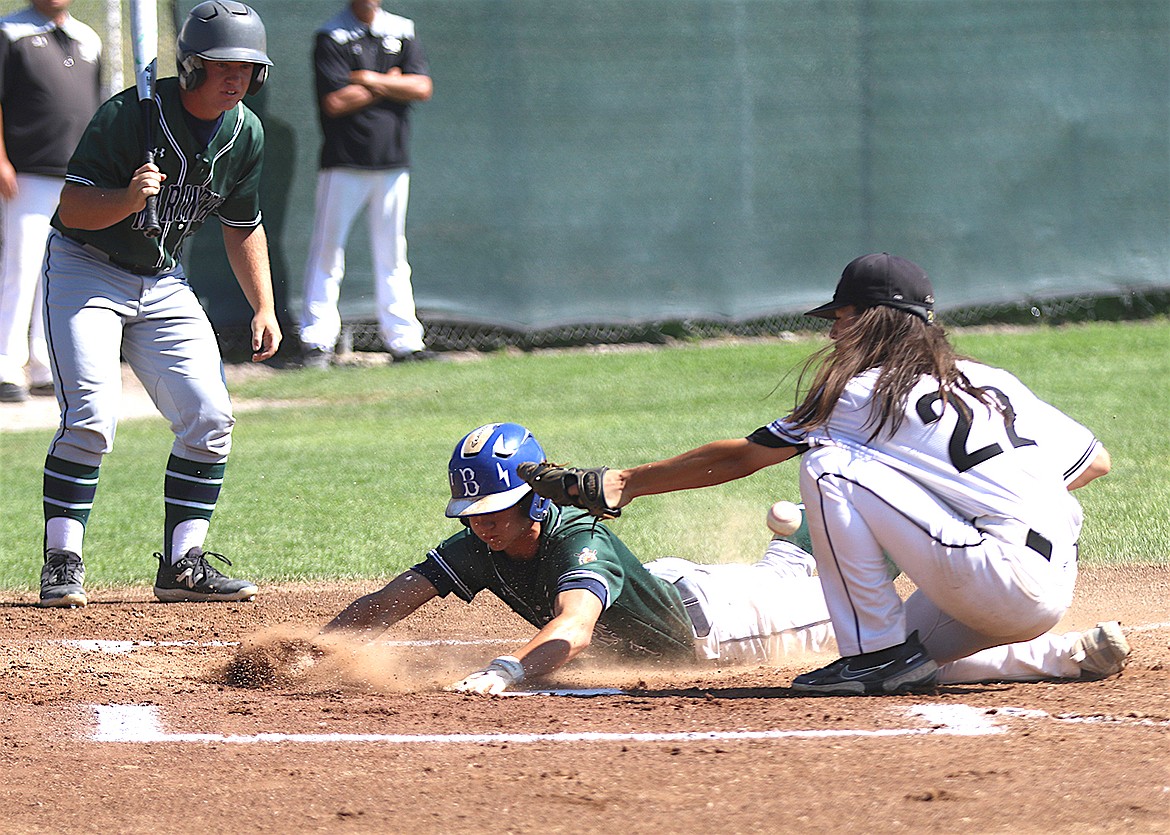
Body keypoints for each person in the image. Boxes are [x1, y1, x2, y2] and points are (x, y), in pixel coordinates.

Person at [521, 253, 1117, 695]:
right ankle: (1062, 656)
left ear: (876, 320)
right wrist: (973, 505)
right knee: (921, 658)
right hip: (1046, 582)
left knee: (830, 466)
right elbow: (1094, 462)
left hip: (991, 571)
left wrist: (626, 481)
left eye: (842, 315)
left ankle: (876, 655)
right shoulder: (993, 380)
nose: (832, 329)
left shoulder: (862, 393)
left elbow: (744, 457)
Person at [324, 422, 1128, 695]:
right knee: (791, 570)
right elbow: (402, 593)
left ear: (529, 497)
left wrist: (505, 669)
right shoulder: (488, 541)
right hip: (690, 587)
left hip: (730, 629)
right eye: (473, 512)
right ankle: (792, 539)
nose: (480, 524)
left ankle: (1057, 650)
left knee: (882, 638)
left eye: (491, 507)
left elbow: (571, 624)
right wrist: (323, 645)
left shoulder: (574, 535)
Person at [37, 0, 281, 608]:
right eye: (223, 65)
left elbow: (243, 223)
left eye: (248, 68)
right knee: (90, 417)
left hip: (162, 280)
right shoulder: (127, 115)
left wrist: (264, 306)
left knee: (210, 417)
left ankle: (183, 565)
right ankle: (62, 561)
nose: (236, 79)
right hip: (86, 268)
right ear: (192, 66)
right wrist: (128, 195)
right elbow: (72, 211)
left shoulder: (245, 131)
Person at [298, 0, 435, 369]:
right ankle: (316, 340)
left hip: (393, 163)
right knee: (328, 252)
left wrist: (370, 78)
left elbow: (422, 86)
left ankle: (404, 341)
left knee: (393, 254)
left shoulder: (403, 30)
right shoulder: (331, 36)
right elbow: (336, 101)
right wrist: (394, 82)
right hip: (343, 163)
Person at [0, 0, 101, 403]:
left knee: (58, 270)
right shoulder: (9, 32)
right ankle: (7, 363)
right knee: (19, 268)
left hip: (76, 180)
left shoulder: (88, 38)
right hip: (24, 175)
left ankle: (44, 365)